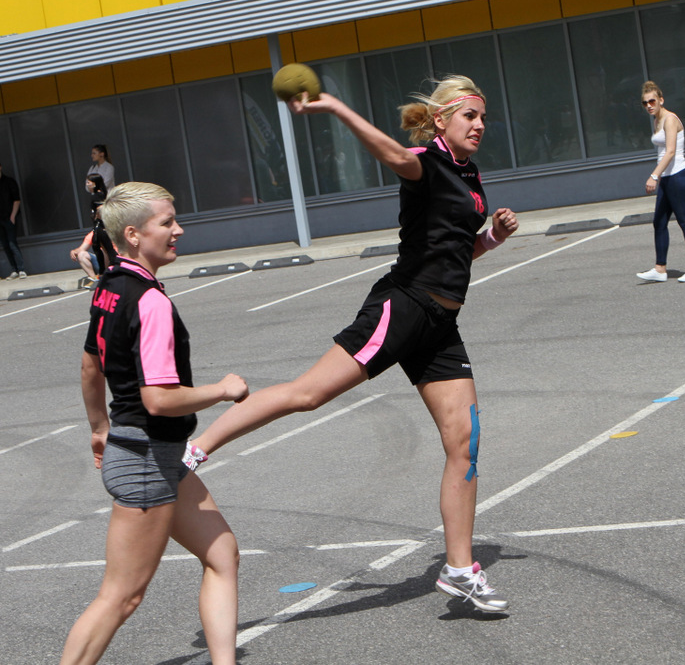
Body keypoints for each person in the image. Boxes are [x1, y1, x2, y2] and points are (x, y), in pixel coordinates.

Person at [182, 75, 517, 613]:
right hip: (402, 308)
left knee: (465, 443)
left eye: (483, 117)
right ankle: (195, 449)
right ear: (441, 120)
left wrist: (492, 237)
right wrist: (337, 107)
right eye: (469, 116)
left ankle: (458, 569)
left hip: (440, 325)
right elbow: (391, 153)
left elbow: (455, 249)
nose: (479, 125)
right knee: (307, 394)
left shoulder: (469, 173)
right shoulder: (425, 162)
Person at [60, 182, 249, 665]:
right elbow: (160, 399)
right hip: (145, 460)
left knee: (222, 553)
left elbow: (90, 366)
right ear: (133, 234)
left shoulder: (109, 285)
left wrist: (99, 428)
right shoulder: (149, 300)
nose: (178, 229)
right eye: (167, 222)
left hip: (147, 452)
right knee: (121, 596)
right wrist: (223, 390)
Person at [635, 80, 685, 284]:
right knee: (659, 222)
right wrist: (660, 176)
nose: (649, 105)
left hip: (677, 175)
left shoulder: (670, 119)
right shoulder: (657, 120)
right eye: (645, 103)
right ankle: (660, 269)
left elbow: (671, 151)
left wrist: (654, 175)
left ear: (661, 100)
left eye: (652, 101)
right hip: (666, 177)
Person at [70, 174, 116, 287]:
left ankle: (110, 273)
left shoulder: (98, 195)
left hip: (101, 227)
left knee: (106, 250)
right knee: (98, 249)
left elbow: (102, 209)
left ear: (95, 184)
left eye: (88, 182)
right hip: (98, 227)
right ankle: (99, 275)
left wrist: (98, 215)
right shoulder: (99, 195)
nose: (87, 185)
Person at [0, 161, 27, 279]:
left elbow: (16, 200)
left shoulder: (9, 182)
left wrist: (12, 216)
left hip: (9, 217)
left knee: (12, 243)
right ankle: (14, 269)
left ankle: (21, 269)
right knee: (5, 245)